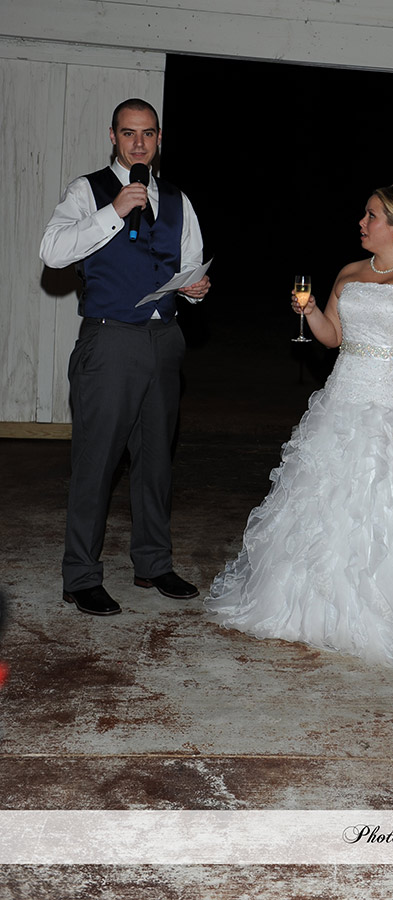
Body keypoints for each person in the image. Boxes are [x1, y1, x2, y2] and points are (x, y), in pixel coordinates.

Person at [205, 183, 393, 668]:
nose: (361, 223)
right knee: (321, 504)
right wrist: (309, 313)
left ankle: (386, 608)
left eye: (371, 216)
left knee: (385, 510)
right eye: (364, 215)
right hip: (342, 402)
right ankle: (307, 606)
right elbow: (333, 337)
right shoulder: (348, 272)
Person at [40, 98, 210, 616]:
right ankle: (81, 576)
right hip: (110, 339)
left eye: (148, 133)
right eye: (129, 133)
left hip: (164, 339)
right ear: (112, 136)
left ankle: (153, 563)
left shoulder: (176, 198)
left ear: (159, 139)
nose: (139, 143)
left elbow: (189, 261)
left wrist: (194, 288)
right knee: (97, 462)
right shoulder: (87, 191)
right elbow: (52, 251)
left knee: (156, 460)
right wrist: (112, 212)